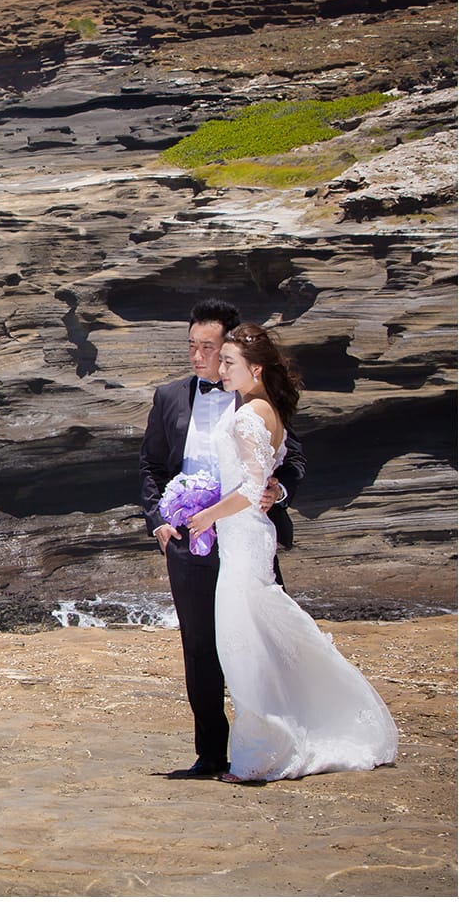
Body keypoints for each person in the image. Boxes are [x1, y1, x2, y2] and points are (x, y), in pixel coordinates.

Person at [185, 325, 397, 782]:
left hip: (243, 537)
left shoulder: (249, 414)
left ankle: (262, 753)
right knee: (256, 636)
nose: (221, 368)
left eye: (229, 362)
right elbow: (259, 478)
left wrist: (206, 516)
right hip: (246, 536)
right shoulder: (266, 408)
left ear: (255, 369)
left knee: (242, 645)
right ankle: (276, 736)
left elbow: (251, 487)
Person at [138, 300, 304, 779]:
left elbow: (292, 460)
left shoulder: (254, 399)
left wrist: (278, 490)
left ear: (230, 346)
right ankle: (211, 753)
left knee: (260, 639)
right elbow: (151, 464)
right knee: (199, 646)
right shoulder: (169, 397)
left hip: (244, 536)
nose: (197, 357)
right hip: (186, 539)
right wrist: (158, 520)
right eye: (191, 346)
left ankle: (277, 742)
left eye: (208, 348)